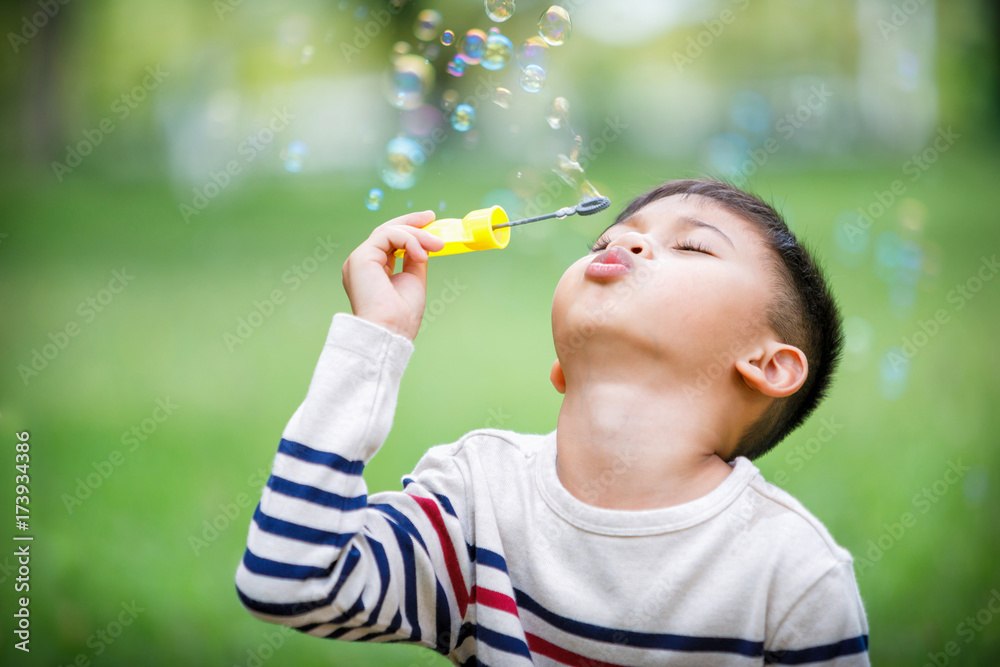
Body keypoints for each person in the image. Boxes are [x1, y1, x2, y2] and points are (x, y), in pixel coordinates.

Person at [235, 178, 870, 665]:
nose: (622, 241)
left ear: (768, 364)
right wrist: (377, 336)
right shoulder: (477, 499)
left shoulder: (792, 573)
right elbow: (289, 579)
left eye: (692, 246)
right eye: (605, 239)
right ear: (565, 367)